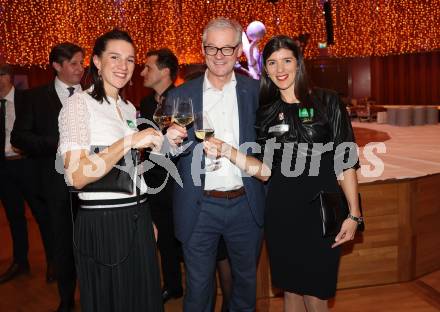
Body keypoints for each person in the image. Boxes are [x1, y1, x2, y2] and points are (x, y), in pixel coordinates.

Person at [204, 35, 363, 312]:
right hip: (282, 212)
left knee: (316, 295)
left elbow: (346, 161)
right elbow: (265, 172)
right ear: (265, 68)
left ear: (298, 63)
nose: (280, 69)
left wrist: (354, 214)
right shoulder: (266, 112)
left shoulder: (327, 101)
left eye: (287, 60)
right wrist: (229, 151)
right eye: (272, 63)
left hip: (321, 212)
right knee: (290, 292)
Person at [58, 29, 164, 312]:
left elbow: (130, 170)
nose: (123, 66)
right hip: (103, 223)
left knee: (143, 300)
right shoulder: (78, 105)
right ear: (96, 61)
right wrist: (129, 141)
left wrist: (146, 216)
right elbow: (76, 176)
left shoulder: (129, 109)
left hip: (137, 216)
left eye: (129, 60)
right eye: (114, 57)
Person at [166, 17, 266, 312]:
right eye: (212, 48)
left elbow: (268, 149)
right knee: (198, 290)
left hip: (245, 203)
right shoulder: (180, 95)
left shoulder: (257, 93)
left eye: (227, 48)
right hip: (199, 206)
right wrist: (167, 143)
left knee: (246, 287)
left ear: (239, 52)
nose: (219, 56)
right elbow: (166, 156)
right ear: (202, 49)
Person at [11, 42, 84, 312]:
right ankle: (66, 298)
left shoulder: (92, 94)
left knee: (90, 243)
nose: (80, 68)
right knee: (62, 245)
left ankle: (92, 294)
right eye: (74, 63)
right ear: (57, 65)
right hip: (54, 186)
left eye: (82, 62)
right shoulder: (35, 97)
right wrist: (57, 143)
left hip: (92, 183)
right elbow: (19, 137)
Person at [0, 64, 53, 284]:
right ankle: (20, 262)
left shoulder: (28, 99)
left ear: (9, 77)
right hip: (4, 169)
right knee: (14, 217)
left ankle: (55, 263)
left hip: (29, 166)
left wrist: (29, 147)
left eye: (0, 75)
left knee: (43, 216)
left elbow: (40, 131)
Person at [139, 48, 184, 303]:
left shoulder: (182, 98)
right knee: (164, 236)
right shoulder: (145, 103)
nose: (143, 72)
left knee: (185, 235)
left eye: (148, 67)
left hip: (179, 179)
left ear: (165, 71)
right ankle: (173, 284)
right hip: (154, 179)